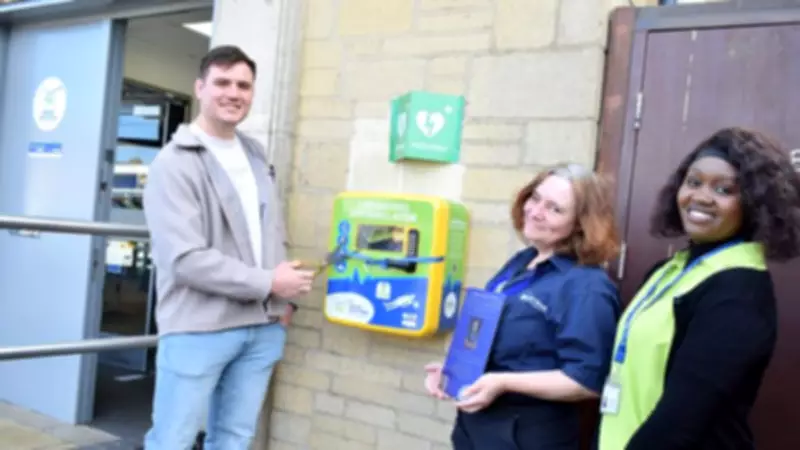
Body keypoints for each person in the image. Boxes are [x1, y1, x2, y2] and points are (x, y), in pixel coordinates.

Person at [141, 45, 314, 450]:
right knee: (172, 441)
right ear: (200, 88)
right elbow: (184, 259)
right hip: (198, 328)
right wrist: (270, 283)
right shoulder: (174, 163)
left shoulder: (255, 154)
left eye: (243, 85)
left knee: (235, 439)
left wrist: (282, 303)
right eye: (222, 82)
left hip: (262, 327)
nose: (234, 93)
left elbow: (271, 231)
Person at [598, 127, 800, 449]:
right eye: (693, 182)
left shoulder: (739, 291)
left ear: (754, 204)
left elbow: (682, 419)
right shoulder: (671, 270)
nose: (701, 197)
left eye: (724, 189)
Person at [424, 163, 622, 449]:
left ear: (581, 223)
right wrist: (455, 369)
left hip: (526, 435)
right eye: (535, 198)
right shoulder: (523, 261)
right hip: (476, 427)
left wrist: (503, 382)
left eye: (555, 209)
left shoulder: (586, 286)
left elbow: (586, 380)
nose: (536, 211)